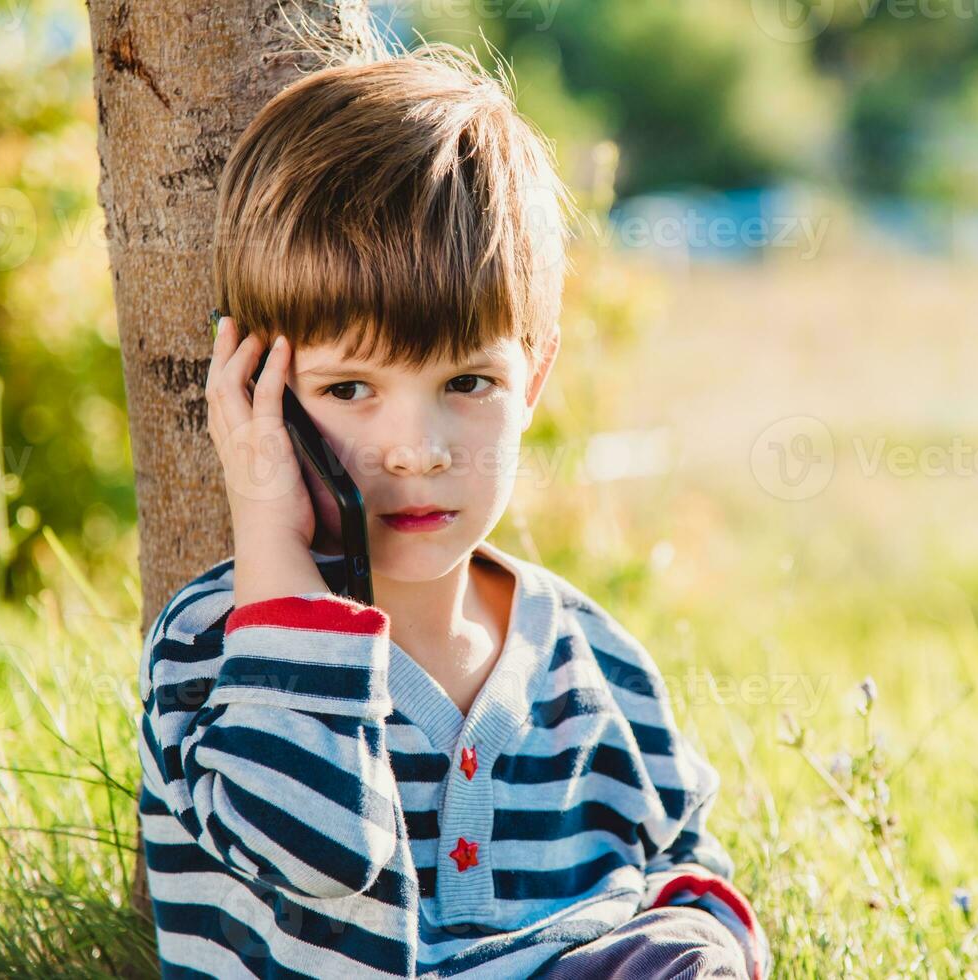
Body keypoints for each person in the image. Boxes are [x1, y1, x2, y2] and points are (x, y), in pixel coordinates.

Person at [136, 43, 770, 980]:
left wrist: (697, 942)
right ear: (260, 390)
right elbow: (313, 849)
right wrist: (269, 523)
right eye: (349, 388)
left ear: (535, 379)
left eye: (468, 381)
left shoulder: (599, 667)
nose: (418, 449)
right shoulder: (217, 650)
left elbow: (690, 868)